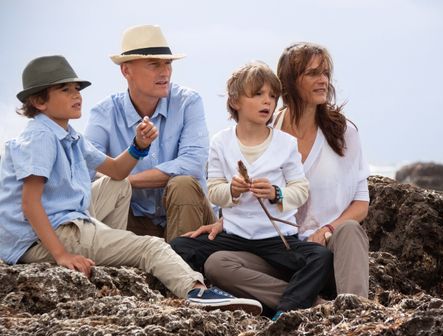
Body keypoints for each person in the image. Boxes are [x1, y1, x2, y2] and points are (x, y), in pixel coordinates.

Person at [0, 55, 262, 315]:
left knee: (118, 184)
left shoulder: (69, 135)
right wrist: (61, 255)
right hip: (43, 237)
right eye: (65, 90)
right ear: (38, 101)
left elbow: (115, 170)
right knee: (150, 246)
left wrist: (138, 146)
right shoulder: (40, 137)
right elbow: (29, 202)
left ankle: (110, 254)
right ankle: (195, 290)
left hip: (66, 221)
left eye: (77, 89)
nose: (76, 95)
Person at [188, 43, 370, 313]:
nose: (323, 80)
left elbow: (361, 203)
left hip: (328, 254)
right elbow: (249, 197)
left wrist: (326, 230)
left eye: (326, 73)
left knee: (350, 230)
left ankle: (355, 314)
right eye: (312, 73)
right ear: (289, 82)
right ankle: (312, 308)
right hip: (280, 253)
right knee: (218, 263)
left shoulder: (344, 133)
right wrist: (225, 221)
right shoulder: (265, 130)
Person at [171, 62, 334, 320]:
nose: (267, 102)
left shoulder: (285, 143)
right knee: (179, 247)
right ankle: (215, 295)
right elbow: (214, 191)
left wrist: (276, 194)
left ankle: (285, 310)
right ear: (235, 101)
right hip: (235, 236)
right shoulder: (221, 142)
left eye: (272, 96)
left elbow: (301, 190)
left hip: (277, 239)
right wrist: (232, 191)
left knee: (320, 257)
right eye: (257, 94)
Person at [85, 24, 215, 242]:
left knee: (183, 184)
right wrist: (119, 180)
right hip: (132, 219)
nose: (165, 72)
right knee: (106, 191)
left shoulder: (188, 102)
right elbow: (87, 171)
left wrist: (125, 178)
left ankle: (183, 267)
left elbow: (193, 163)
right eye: (154, 64)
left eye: (168, 63)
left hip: (190, 216)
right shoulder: (103, 113)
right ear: (126, 70)